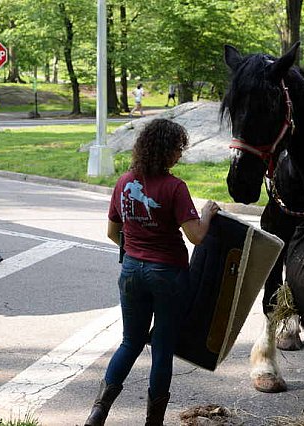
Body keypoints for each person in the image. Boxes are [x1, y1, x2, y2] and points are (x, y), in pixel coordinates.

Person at [84, 119, 220, 426]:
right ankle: (153, 422)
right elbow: (196, 236)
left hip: (131, 270)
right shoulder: (175, 187)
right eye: (177, 149)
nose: (179, 156)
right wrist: (208, 214)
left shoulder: (123, 183)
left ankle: (98, 412)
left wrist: (137, 243)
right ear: (165, 150)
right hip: (168, 274)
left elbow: (111, 232)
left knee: (130, 343)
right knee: (162, 348)